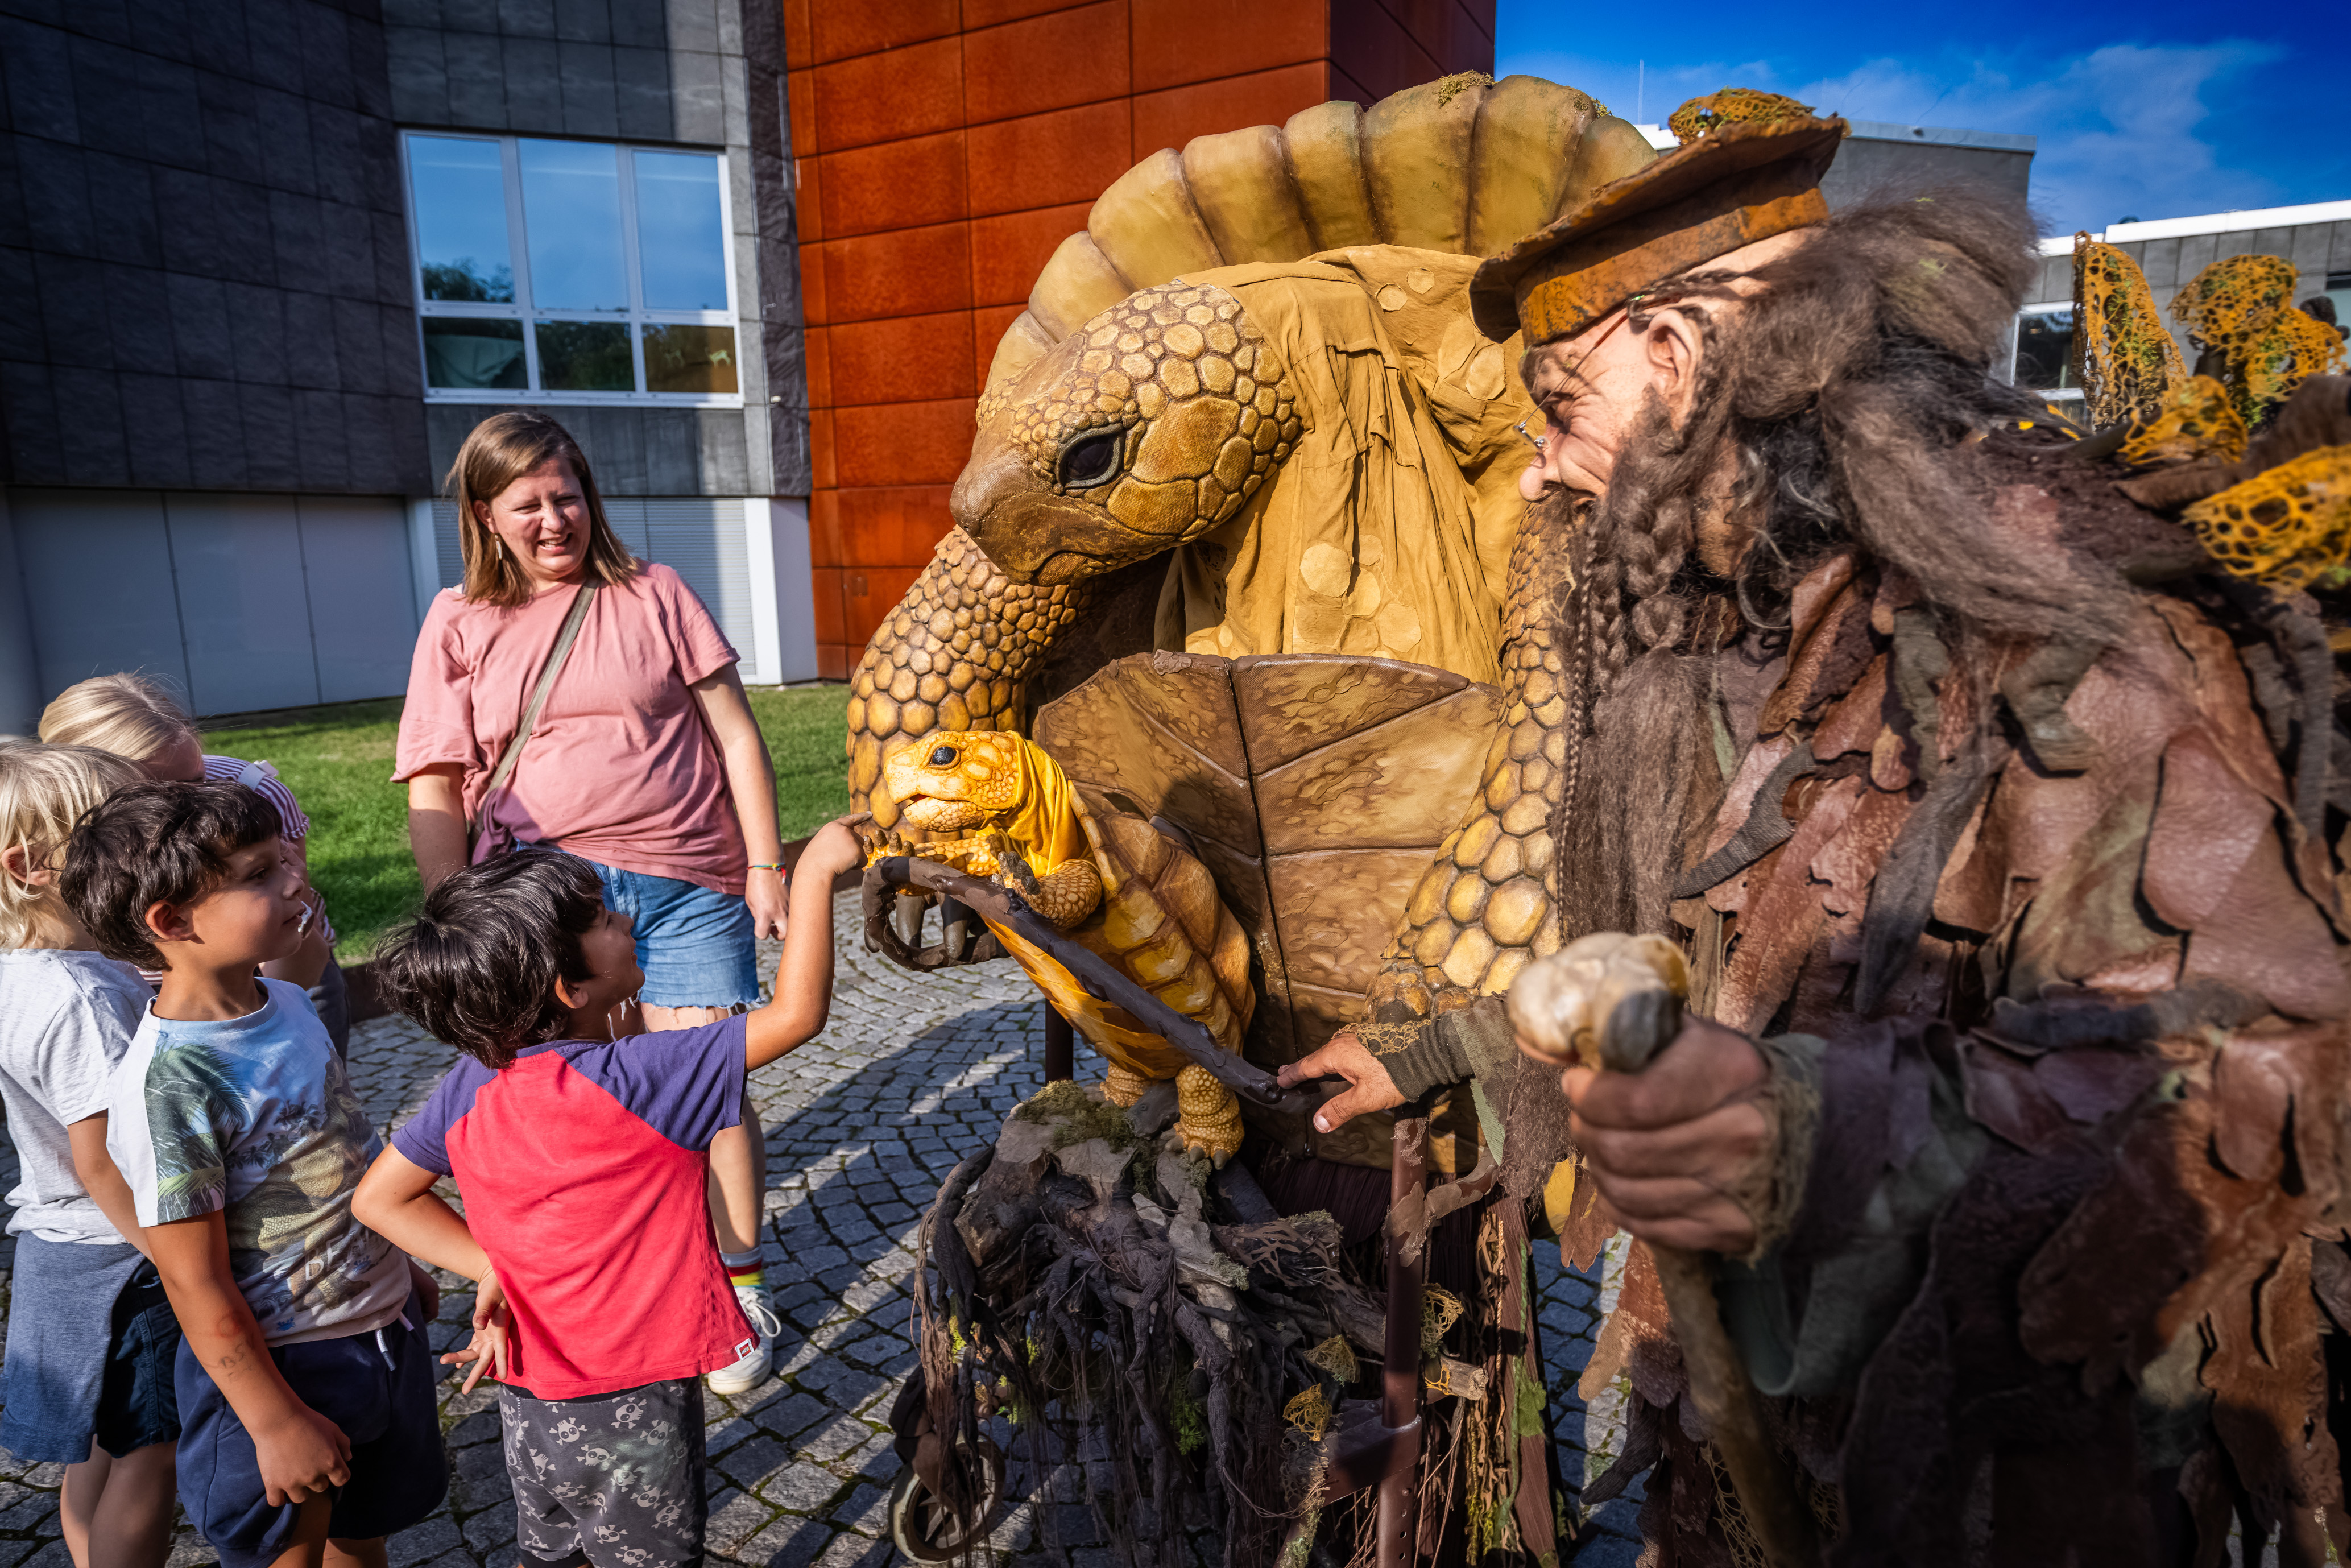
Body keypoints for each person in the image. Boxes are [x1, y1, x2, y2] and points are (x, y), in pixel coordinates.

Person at [1281, 96, 2351, 1561]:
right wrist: (1437, 1051)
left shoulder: (2046, 623)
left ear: (1671, 355)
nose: (1541, 469)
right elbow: (1701, 958)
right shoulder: (1790, 628)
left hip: (2003, 1488)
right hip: (1761, 1445)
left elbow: (2260, 1068)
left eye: (1558, 405)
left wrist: (1800, 1123)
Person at [395, 411, 790, 1393]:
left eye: (565, 494)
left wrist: (767, 864)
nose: (553, 518)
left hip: (689, 883)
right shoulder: (457, 620)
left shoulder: (654, 592)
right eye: (526, 503)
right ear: (485, 515)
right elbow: (435, 784)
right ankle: (584, 1285)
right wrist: (459, 917)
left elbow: (735, 735)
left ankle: (735, 1286)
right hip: (542, 907)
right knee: (561, 1108)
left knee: (710, 1084)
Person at [350, 817, 864, 1568]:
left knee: (555, 1555)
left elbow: (379, 1199)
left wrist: (491, 1267)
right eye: (602, 919)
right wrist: (813, 871)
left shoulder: (470, 1081)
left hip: (530, 1395)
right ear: (571, 987)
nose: (624, 919)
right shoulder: (645, 1078)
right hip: (638, 1394)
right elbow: (797, 1016)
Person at [63, 782, 445, 1568]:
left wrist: (394, 1261)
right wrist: (272, 1421)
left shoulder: (286, 1002)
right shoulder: (172, 1087)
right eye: (260, 873)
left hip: (374, 1322)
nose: (294, 880)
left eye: (285, 861)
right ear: (171, 923)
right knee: (291, 1554)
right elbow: (194, 1283)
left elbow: (339, 1155)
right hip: (286, 1363)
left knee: (360, 1532)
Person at [0, 742, 181, 1568]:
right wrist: (172, 1256)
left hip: (68, 1246)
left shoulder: (31, 972)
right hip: (125, 1260)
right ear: (31, 866)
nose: (143, 850)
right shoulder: (80, 996)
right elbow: (106, 1155)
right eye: (111, 836)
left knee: (98, 1448)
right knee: (152, 1450)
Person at [38, 674, 342, 1053]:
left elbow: (291, 929)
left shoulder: (253, 793)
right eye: (159, 794)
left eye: (198, 781)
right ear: (85, 787)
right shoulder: (51, 829)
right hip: (143, 996)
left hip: (277, 973)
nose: (194, 803)